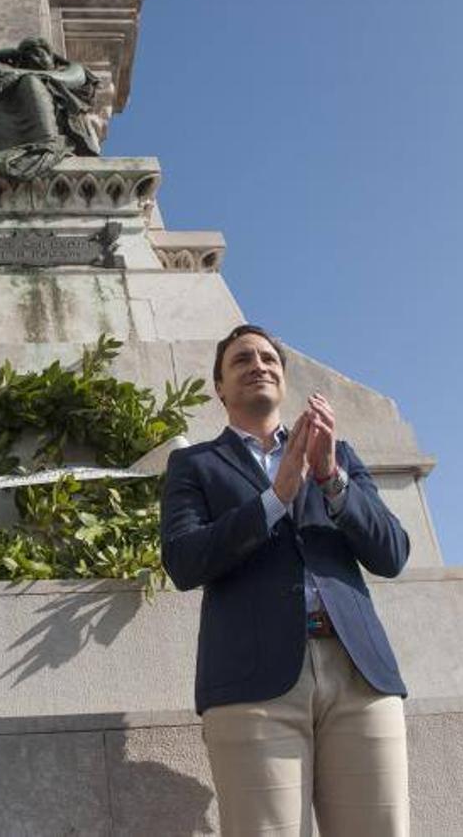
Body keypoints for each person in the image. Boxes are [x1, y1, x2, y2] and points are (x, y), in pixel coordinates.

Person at [159, 324, 411, 836]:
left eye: (269, 358)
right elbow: (184, 561)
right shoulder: (195, 465)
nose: (259, 365)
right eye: (242, 360)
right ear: (220, 389)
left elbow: (392, 552)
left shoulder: (339, 456)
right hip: (254, 688)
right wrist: (275, 498)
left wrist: (330, 480)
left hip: (359, 676)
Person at [0, 36, 101, 180]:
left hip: (52, 122)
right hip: (15, 124)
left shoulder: (72, 69)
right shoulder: (15, 80)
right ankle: (5, 146)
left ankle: (47, 145)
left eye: (39, 54)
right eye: (27, 57)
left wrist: (16, 72)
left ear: (52, 58)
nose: (35, 59)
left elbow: (68, 78)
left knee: (31, 81)